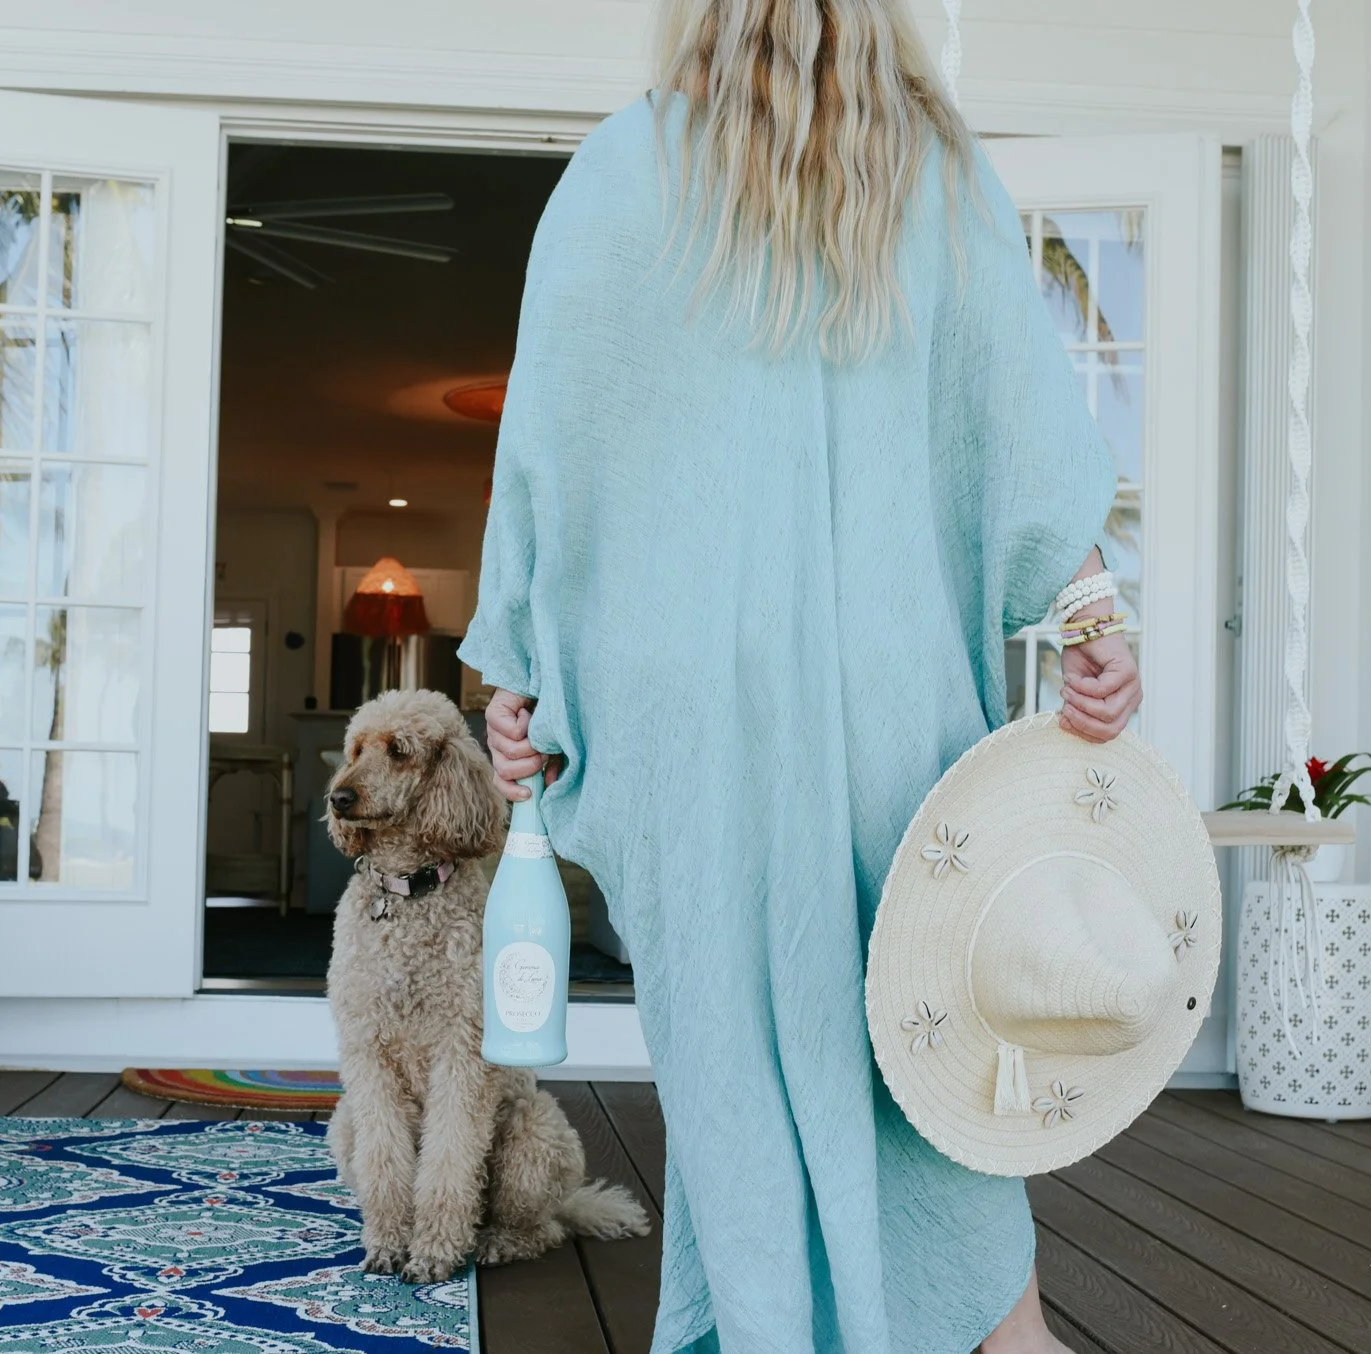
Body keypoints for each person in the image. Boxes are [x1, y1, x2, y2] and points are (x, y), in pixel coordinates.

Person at [458, 2, 1140, 1351]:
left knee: (729, 1052)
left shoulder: (617, 176)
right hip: (883, 702)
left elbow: (550, 438)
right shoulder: (938, 181)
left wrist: (522, 666)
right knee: (920, 1043)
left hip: (685, 717)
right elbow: (1017, 411)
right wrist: (1088, 611)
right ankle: (1013, 1342)